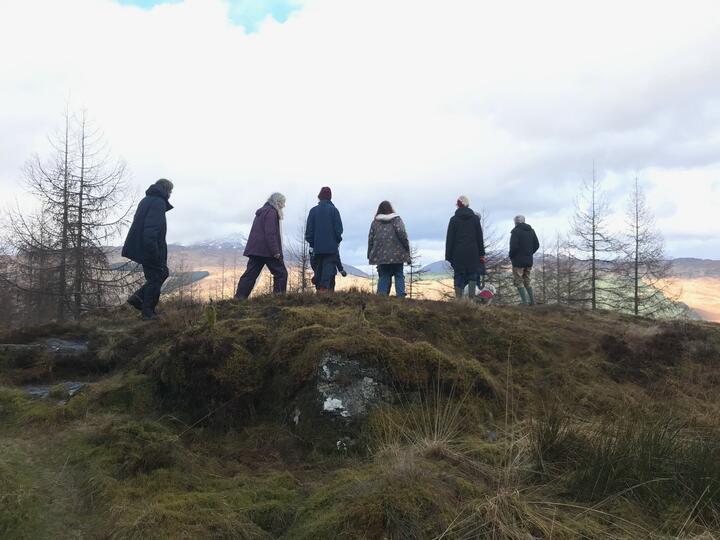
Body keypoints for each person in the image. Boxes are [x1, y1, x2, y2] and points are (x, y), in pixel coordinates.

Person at [122, 178, 174, 320]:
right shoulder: (158, 203)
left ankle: (138, 300)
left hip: (143, 246)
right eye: (170, 191)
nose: (170, 194)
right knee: (156, 276)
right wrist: (154, 252)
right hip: (149, 248)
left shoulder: (147, 200)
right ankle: (148, 313)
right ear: (166, 189)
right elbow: (151, 229)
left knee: (160, 274)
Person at [235, 193, 288, 298]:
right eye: (282, 203)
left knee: (250, 275)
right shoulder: (272, 212)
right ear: (277, 202)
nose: (283, 206)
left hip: (256, 250)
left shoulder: (262, 212)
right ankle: (279, 299)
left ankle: (239, 298)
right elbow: (270, 233)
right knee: (281, 274)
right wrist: (276, 251)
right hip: (267, 251)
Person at [367, 201, 411, 297]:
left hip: (381, 255)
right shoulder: (397, 220)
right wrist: (407, 250)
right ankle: (401, 296)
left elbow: (370, 239)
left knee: (384, 275)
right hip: (397, 254)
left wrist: (369, 253)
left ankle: (381, 298)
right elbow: (403, 235)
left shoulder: (375, 223)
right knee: (399, 274)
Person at [445, 195, 485, 299]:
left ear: (458, 205)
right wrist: (481, 254)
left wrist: (448, 256)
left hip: (458, 253)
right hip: (473, 252)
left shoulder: (453, 220)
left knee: (458, 275)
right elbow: (479, 238)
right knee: (472, 275)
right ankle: (471, 299)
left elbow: (450, 239)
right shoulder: (475, 219)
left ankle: (459, 300)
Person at [305, 187, 343, 292]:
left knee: (318, 271)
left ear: (319, 196)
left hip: (316, 249)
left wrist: (312, 243)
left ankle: (320, 290)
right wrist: (337, 241)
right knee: (328, 272)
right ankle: (324, 293)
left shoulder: (313, 211)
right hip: (331, 249)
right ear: (330, 197)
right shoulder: (334, 211)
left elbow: (308, 232)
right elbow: (339, 230)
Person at [509, 215, 540, 305]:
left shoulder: (515, 232)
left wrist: (511, 256)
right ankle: (532, 301)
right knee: (527, 280)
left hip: (518, 261)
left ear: (516, 222)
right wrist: (529, 253)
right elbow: (537, 245)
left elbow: (513, 247)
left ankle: (524, 302)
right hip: (529, 260)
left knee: (519, 281)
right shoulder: (531, 230)